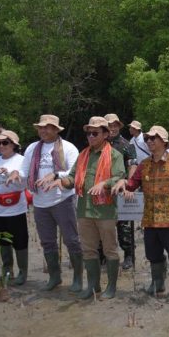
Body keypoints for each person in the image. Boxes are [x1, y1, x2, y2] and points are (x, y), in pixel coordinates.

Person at [113, 126, 169, 301]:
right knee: (153, 255)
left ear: (164, 142)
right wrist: (123, 184)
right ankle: (158, 284)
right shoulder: (144, 165)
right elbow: (132, 184)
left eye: (153, 138)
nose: (149, 141)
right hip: (150, 220)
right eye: (148, 138)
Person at [52, 116, 125, 300]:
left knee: (110, 249)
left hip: (106, 211)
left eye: (95, 133)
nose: (90, 136)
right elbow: (72, 177)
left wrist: (105, 184)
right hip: (84, 210)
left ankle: (111, 287)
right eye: (88, 133)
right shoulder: (83, 155)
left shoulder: (115, 155)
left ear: (106, 134)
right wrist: (62, 182)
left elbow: (120, 177)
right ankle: (93, 286)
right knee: (88, 250)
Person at [7, 114, 81, 292]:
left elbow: (75, 172)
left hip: (63, 199)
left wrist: (56, 175)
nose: (43, 130)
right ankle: (54, 277)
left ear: (56, 129)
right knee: (47, 242)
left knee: (71, 240)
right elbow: (25, 173)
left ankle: (78, 278)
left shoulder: (69, 148)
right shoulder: (32, 148)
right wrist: (16, 174)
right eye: (40, 127)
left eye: (47, 127)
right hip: (40, 202)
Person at [0, 130, 29, 285]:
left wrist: (10, 173)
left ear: (14, 144)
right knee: (3, 240)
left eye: (5, 142)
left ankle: (23, 272)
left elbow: (24, 183)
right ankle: (7, 270)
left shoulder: (22, 160)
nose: (1, 146)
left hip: (16, 207)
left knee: (20, 240)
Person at [104, 113, 137, 270]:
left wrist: (129, 185)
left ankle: (129, 255)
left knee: (123, 225)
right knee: (102, 224)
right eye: (110, 125)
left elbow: (133, 165)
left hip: (121, 189)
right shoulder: (98, 143)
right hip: (102, 190)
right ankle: (103, 256)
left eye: (115, 125)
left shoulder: (126, 145)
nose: (113, 128)